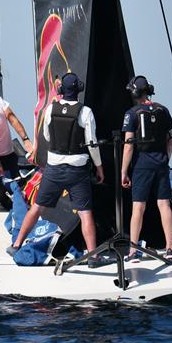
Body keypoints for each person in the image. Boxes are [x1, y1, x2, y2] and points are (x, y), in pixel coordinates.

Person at [7, 73, 108, 268]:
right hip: (77, 170)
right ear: (78, 90)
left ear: (61, 91)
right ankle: (93, 258)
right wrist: (99, 167)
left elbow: (45, 135)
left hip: (53, 169)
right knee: (85, 213)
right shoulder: (85, 112)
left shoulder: (50, 108)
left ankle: (16, 244)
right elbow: (92, 144)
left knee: (37, 207)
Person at [120, 75, 172, 261]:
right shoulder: (163, 110)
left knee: (138, 207)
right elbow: (170, 142)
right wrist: (165, 161)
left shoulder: (131, 113)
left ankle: (133, 251)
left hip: (142, 165)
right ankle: (170, 248)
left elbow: (128, 145)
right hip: (161, 163)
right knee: (164, 204)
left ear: (135, 92)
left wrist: (123, 171)